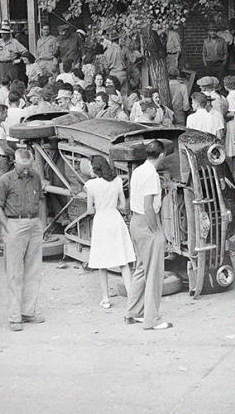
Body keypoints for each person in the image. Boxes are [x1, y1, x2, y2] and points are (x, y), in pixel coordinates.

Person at [0, 148, 46, 331]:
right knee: (14, 272)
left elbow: (41, 200)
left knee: (33, 271)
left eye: (28, 166)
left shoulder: (35, 177)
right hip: (15, 224)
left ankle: (28, 312)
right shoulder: (5, 180)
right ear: (15, 162)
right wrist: (7, 225)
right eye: (23, 166)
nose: (26, 170)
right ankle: (15, 317)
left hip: (34, 224)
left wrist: (41, 224)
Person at [125, 141, 173, 330]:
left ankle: (133, 311)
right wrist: (157, 231)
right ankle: (151, 319)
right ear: (161, 155)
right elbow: (148, 206)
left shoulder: (138, 170)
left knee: (141, 269)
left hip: (136, 222)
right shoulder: (152, 175)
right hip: (146, 222)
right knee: (154, 272)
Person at [83, 156, 135, 309]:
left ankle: (105, 298)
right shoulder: (117, 181)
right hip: (115, 219)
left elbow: (89, 209)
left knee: (102, 263)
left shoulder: (91, 185)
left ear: (95, 168)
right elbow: (123, 204)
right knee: (123, 260)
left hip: (101, 221)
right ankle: (132, 296)